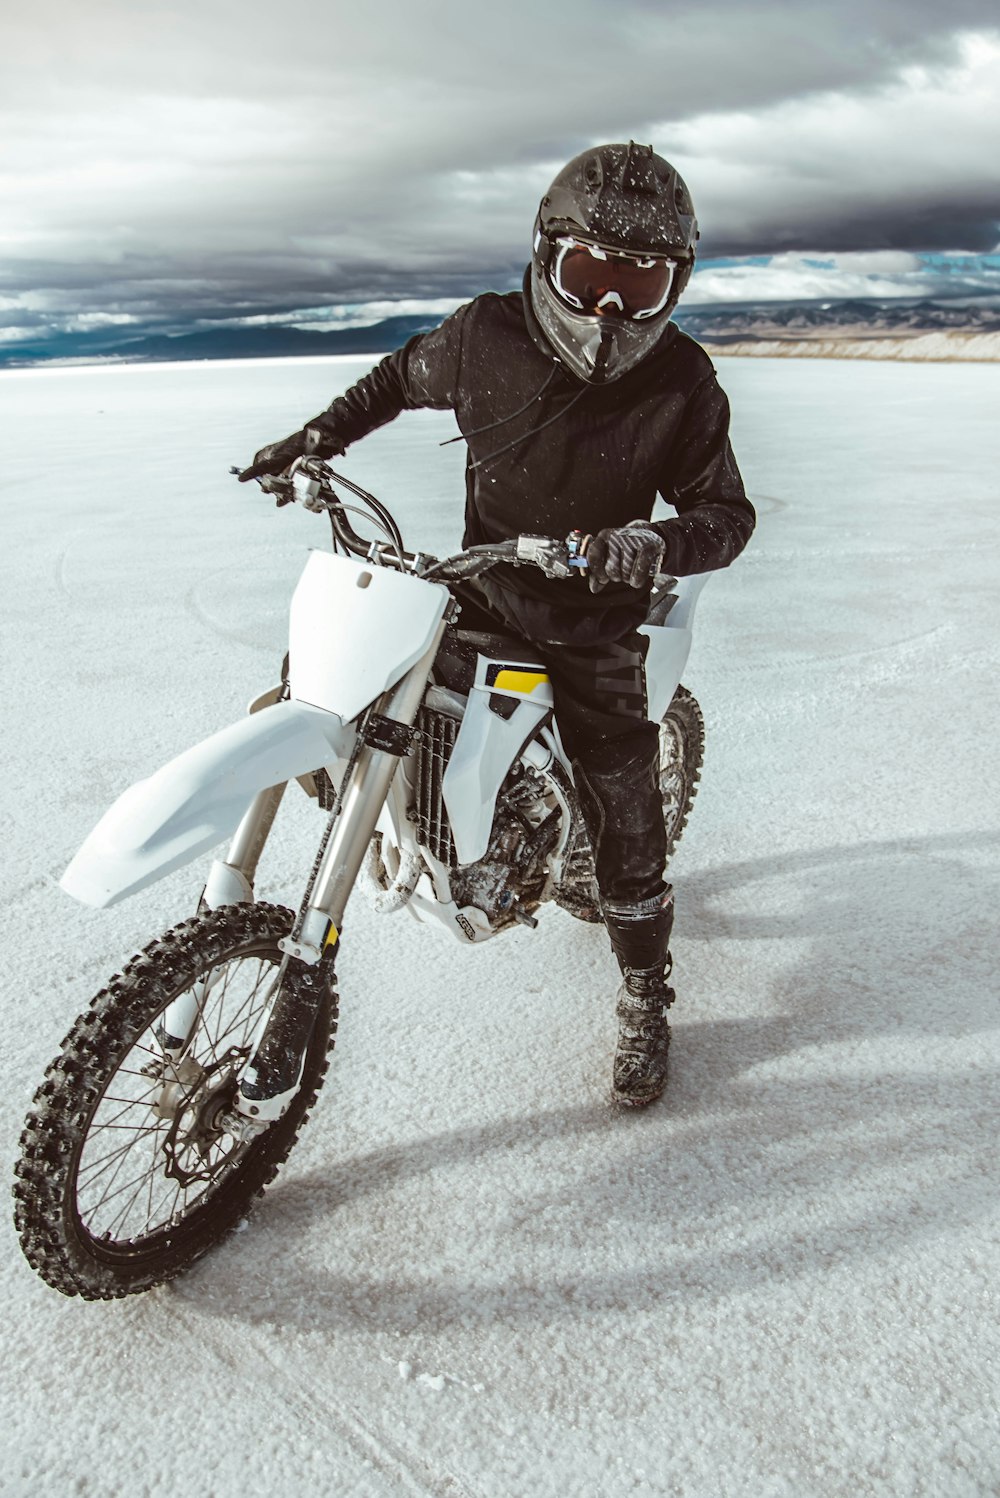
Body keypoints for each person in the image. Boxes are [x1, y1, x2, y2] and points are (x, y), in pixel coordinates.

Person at [240, 141, 755, 1107]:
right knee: (339, 689)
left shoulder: (682, 380)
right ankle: (428, 828)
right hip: (477, 586)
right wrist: (315, 439)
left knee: (623, 806)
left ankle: (646, 989)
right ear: (546, 254)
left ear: (674, 286)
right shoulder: (487, 336)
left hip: (595, 622)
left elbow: (726, 516)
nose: (609, 307)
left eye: (638, 284)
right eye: (591, 272)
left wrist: (642, 546)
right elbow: (396, 380)